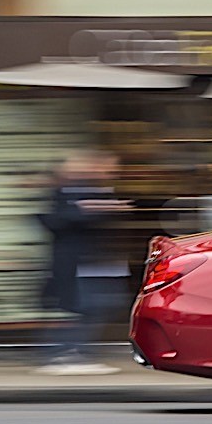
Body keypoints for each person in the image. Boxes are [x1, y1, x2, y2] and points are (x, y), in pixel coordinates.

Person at [35, 150, 134, 375]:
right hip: (79, 262)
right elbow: (57, 220)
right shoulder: (66, 191)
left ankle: (68, 352)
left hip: (98, 261)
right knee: (87, 308)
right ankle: (64, 353)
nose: (112, 171)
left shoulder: (93, 189)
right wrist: (91, 209)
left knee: (94, 308)